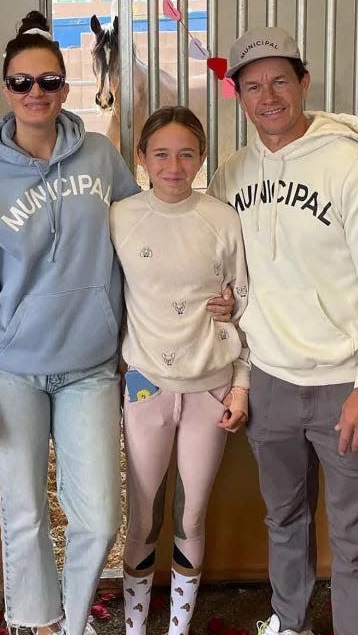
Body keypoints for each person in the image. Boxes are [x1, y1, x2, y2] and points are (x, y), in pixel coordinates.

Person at [0, 12, 234, 635]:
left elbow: (148, 230)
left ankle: (74, 623)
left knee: (98, 518)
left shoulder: (99, 157)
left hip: (92, 369)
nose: (36, 93)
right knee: (25, 513)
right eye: (23, 83)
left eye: (48, 81)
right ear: (6, 89)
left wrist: (213, 286)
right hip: (9, 370)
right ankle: (39, 625)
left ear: (64, 87)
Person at [207, 27, 358, 635]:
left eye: (279, 81)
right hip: (268, 382)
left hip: (345, 386)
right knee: (284, 519)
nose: (267, 96)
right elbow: (227, 273)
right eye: (251, 86)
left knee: (353, 536)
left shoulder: (357, 168)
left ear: (304, 83)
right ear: (237, 97)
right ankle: (288, 621)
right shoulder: (229, 175)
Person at [109, 106, 250, 635]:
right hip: (145, 386)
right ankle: (134, 626)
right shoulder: (120, 217)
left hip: (210, 389)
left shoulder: (222, 218)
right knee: (142, 515)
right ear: (141, 157)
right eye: (161, 154)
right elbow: (103, 301)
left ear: (201, 158)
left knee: (191, 514)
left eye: (186, 154)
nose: (174, 166)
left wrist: (241, 384)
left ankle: (178, 627)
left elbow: (247, 303)